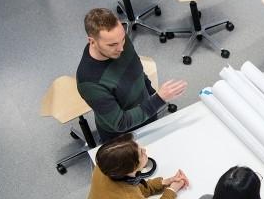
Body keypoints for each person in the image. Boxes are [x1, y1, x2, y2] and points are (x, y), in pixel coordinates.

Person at [77, 8, 187, 142]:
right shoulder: (89, 81)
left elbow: (137, 69)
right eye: (112, 45)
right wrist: (158, 99)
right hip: (122, 136)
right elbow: (120, 123)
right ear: (92, 42)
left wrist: (151, 95)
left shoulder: (118, 40)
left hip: (147, 111)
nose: (121, 48)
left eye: (123, 39)